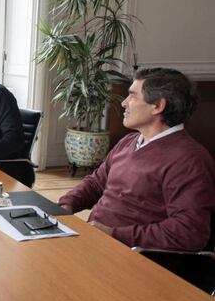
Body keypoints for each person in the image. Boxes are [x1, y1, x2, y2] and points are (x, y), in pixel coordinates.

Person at [59, 68, 215, 251]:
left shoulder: (190, 160)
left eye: (132, 96)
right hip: (97, 243)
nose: (124, 103)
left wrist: (114, 234)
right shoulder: (128, 141)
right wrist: (66, 204)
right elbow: (96, 183)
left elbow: (189, 232)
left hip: (136, 258)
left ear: (157, 105)